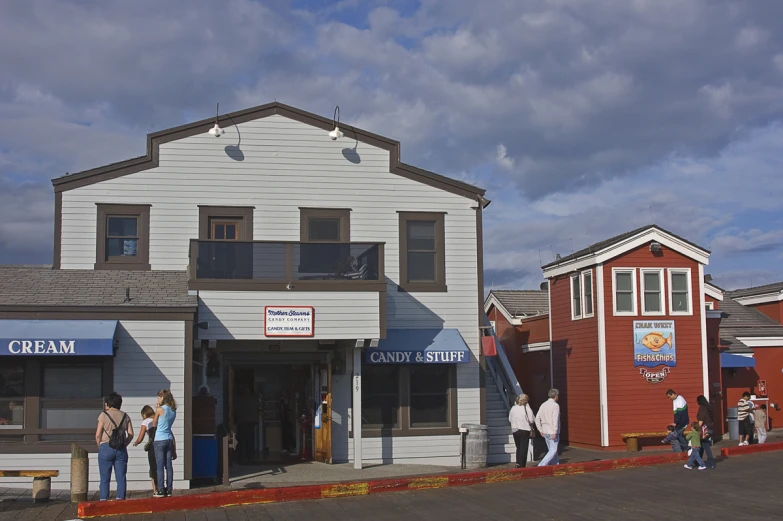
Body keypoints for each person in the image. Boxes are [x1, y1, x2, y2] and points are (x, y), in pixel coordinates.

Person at [95, 392, 133, 501]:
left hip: (106, 447)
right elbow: (131, 433)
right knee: (121, 477)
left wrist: (100, 445)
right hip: (121, 448)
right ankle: (120, 499)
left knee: (104, 478)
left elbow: (98, 434)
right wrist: (125, 443)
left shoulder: (103, 415)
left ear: (108, 404)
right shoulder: (125, 416)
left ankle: (103, 501)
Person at [153, 389, 177, 498]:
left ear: (163, 398)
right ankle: (169, 489)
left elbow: (154, 423)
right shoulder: (173, 410)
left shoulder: (160, 410)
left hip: (160, 439)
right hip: (169, 438)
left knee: (160, 466)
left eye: (159, 397)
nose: (158, 399)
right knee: (169, 465)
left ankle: (161, 489)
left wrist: (156, 409)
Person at [132, 405, 158, 493]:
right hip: (161, 443)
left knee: (153, 468)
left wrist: (136, 442)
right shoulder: (158, 419)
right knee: (161, 467)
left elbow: (141, 437)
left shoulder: (146, 421)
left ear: (144, 414)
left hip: (152, 447)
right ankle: (163, 487)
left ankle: (155, 489)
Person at [508, 394, 535, 468]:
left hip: (515, 430)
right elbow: (532, 420)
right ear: (526, 401)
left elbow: (510, 419)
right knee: (524, 448)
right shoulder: (526, 408)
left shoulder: (513, 408)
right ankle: (522, 465)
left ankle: (518, 463)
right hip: (524, 429)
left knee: (518, 447)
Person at [535, 389, 560, 467]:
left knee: (551, 449)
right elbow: (555, 419)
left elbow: (537, 418)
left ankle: (555, 463)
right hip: (552, 431)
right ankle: (542, 465)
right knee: (553, 450)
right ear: (555, 396)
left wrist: (540, 429)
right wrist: (555, 431)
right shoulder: (555, 405)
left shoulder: (543, 404)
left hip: (545, 430)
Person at [696, 395, 716, 468]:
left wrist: (696, 429)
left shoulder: (702, 408)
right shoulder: (709, 407)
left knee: (705, 445)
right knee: (702, 445)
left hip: (704, 429)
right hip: (710, 428)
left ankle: (710, 462)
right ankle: (698, 461)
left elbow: (700, 421)